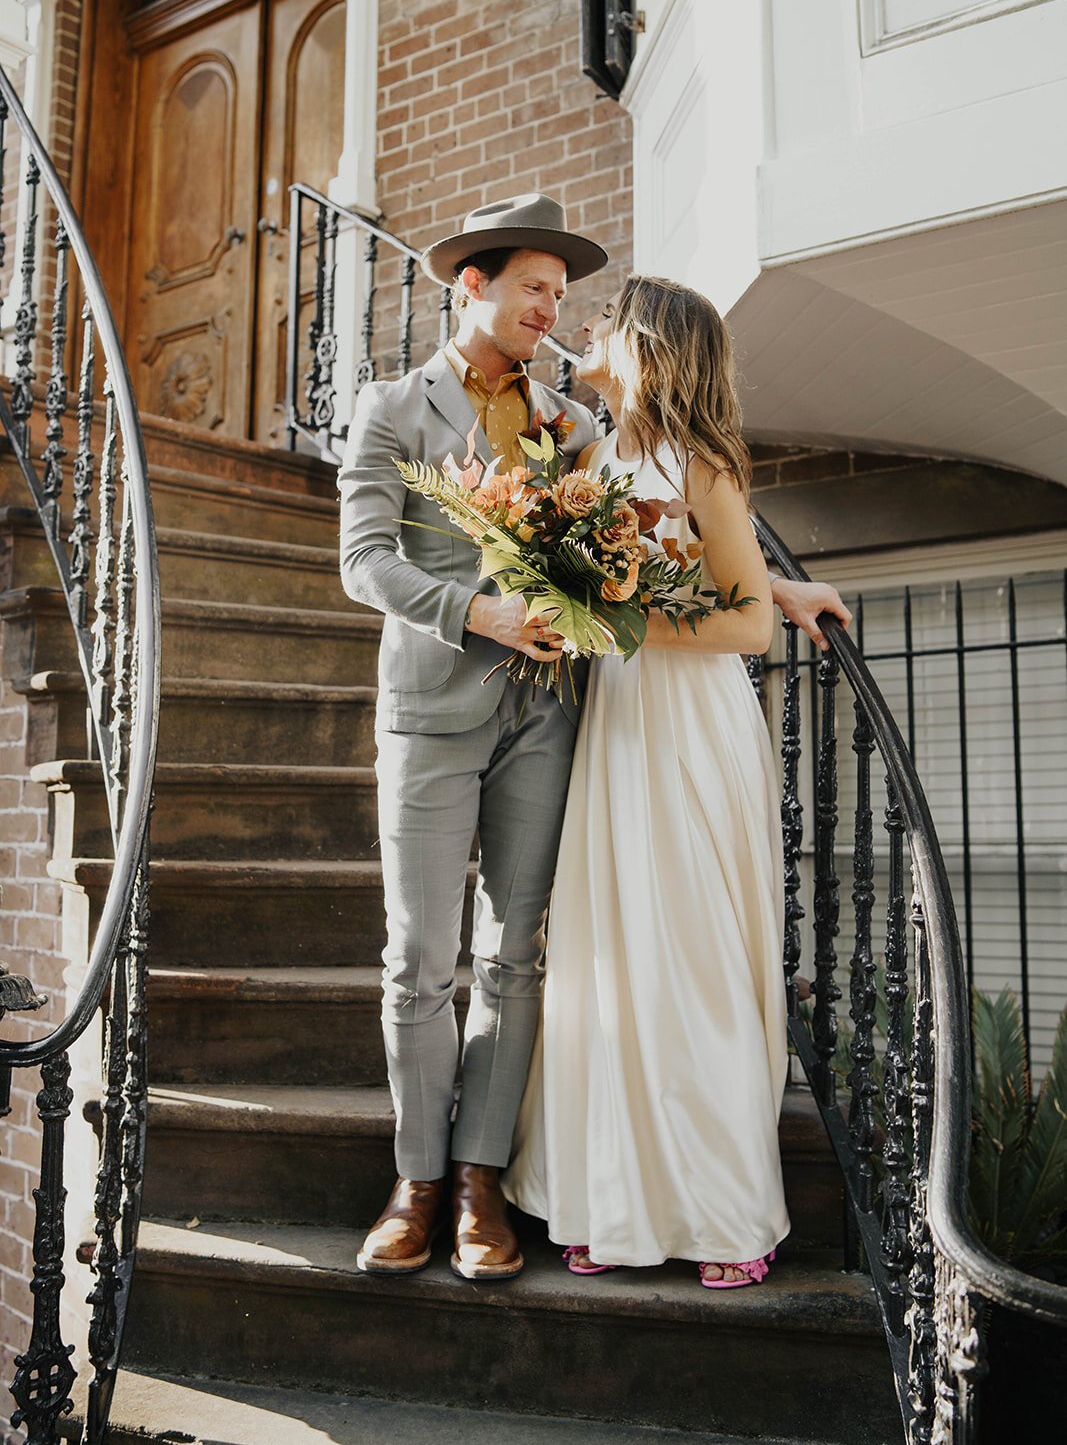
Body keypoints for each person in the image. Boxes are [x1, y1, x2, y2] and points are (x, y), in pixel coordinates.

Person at [338, 195, 850, 1284]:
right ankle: (417, 1183)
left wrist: (778, 589)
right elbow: (365, 562)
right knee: (419, 962)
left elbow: (663, 521)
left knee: (518, 956)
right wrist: (478, 612)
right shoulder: (390, 409)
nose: (552, 313)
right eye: (534, 289)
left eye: (562, 298)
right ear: (468, 286)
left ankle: (483, 1183)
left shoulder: (574, 423)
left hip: (554, 716)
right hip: (432, 709)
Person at [504, 274, 817, 1287]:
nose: (584, 325)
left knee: (688, 956)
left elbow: (744, 621)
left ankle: (718, 1208)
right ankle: (606, 1194)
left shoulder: (701, 460)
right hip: (619, 726)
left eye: (605, 316)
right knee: (610, 957)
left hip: (686, 725)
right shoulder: (595, 450)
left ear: (644, 344)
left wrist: (627, 618)